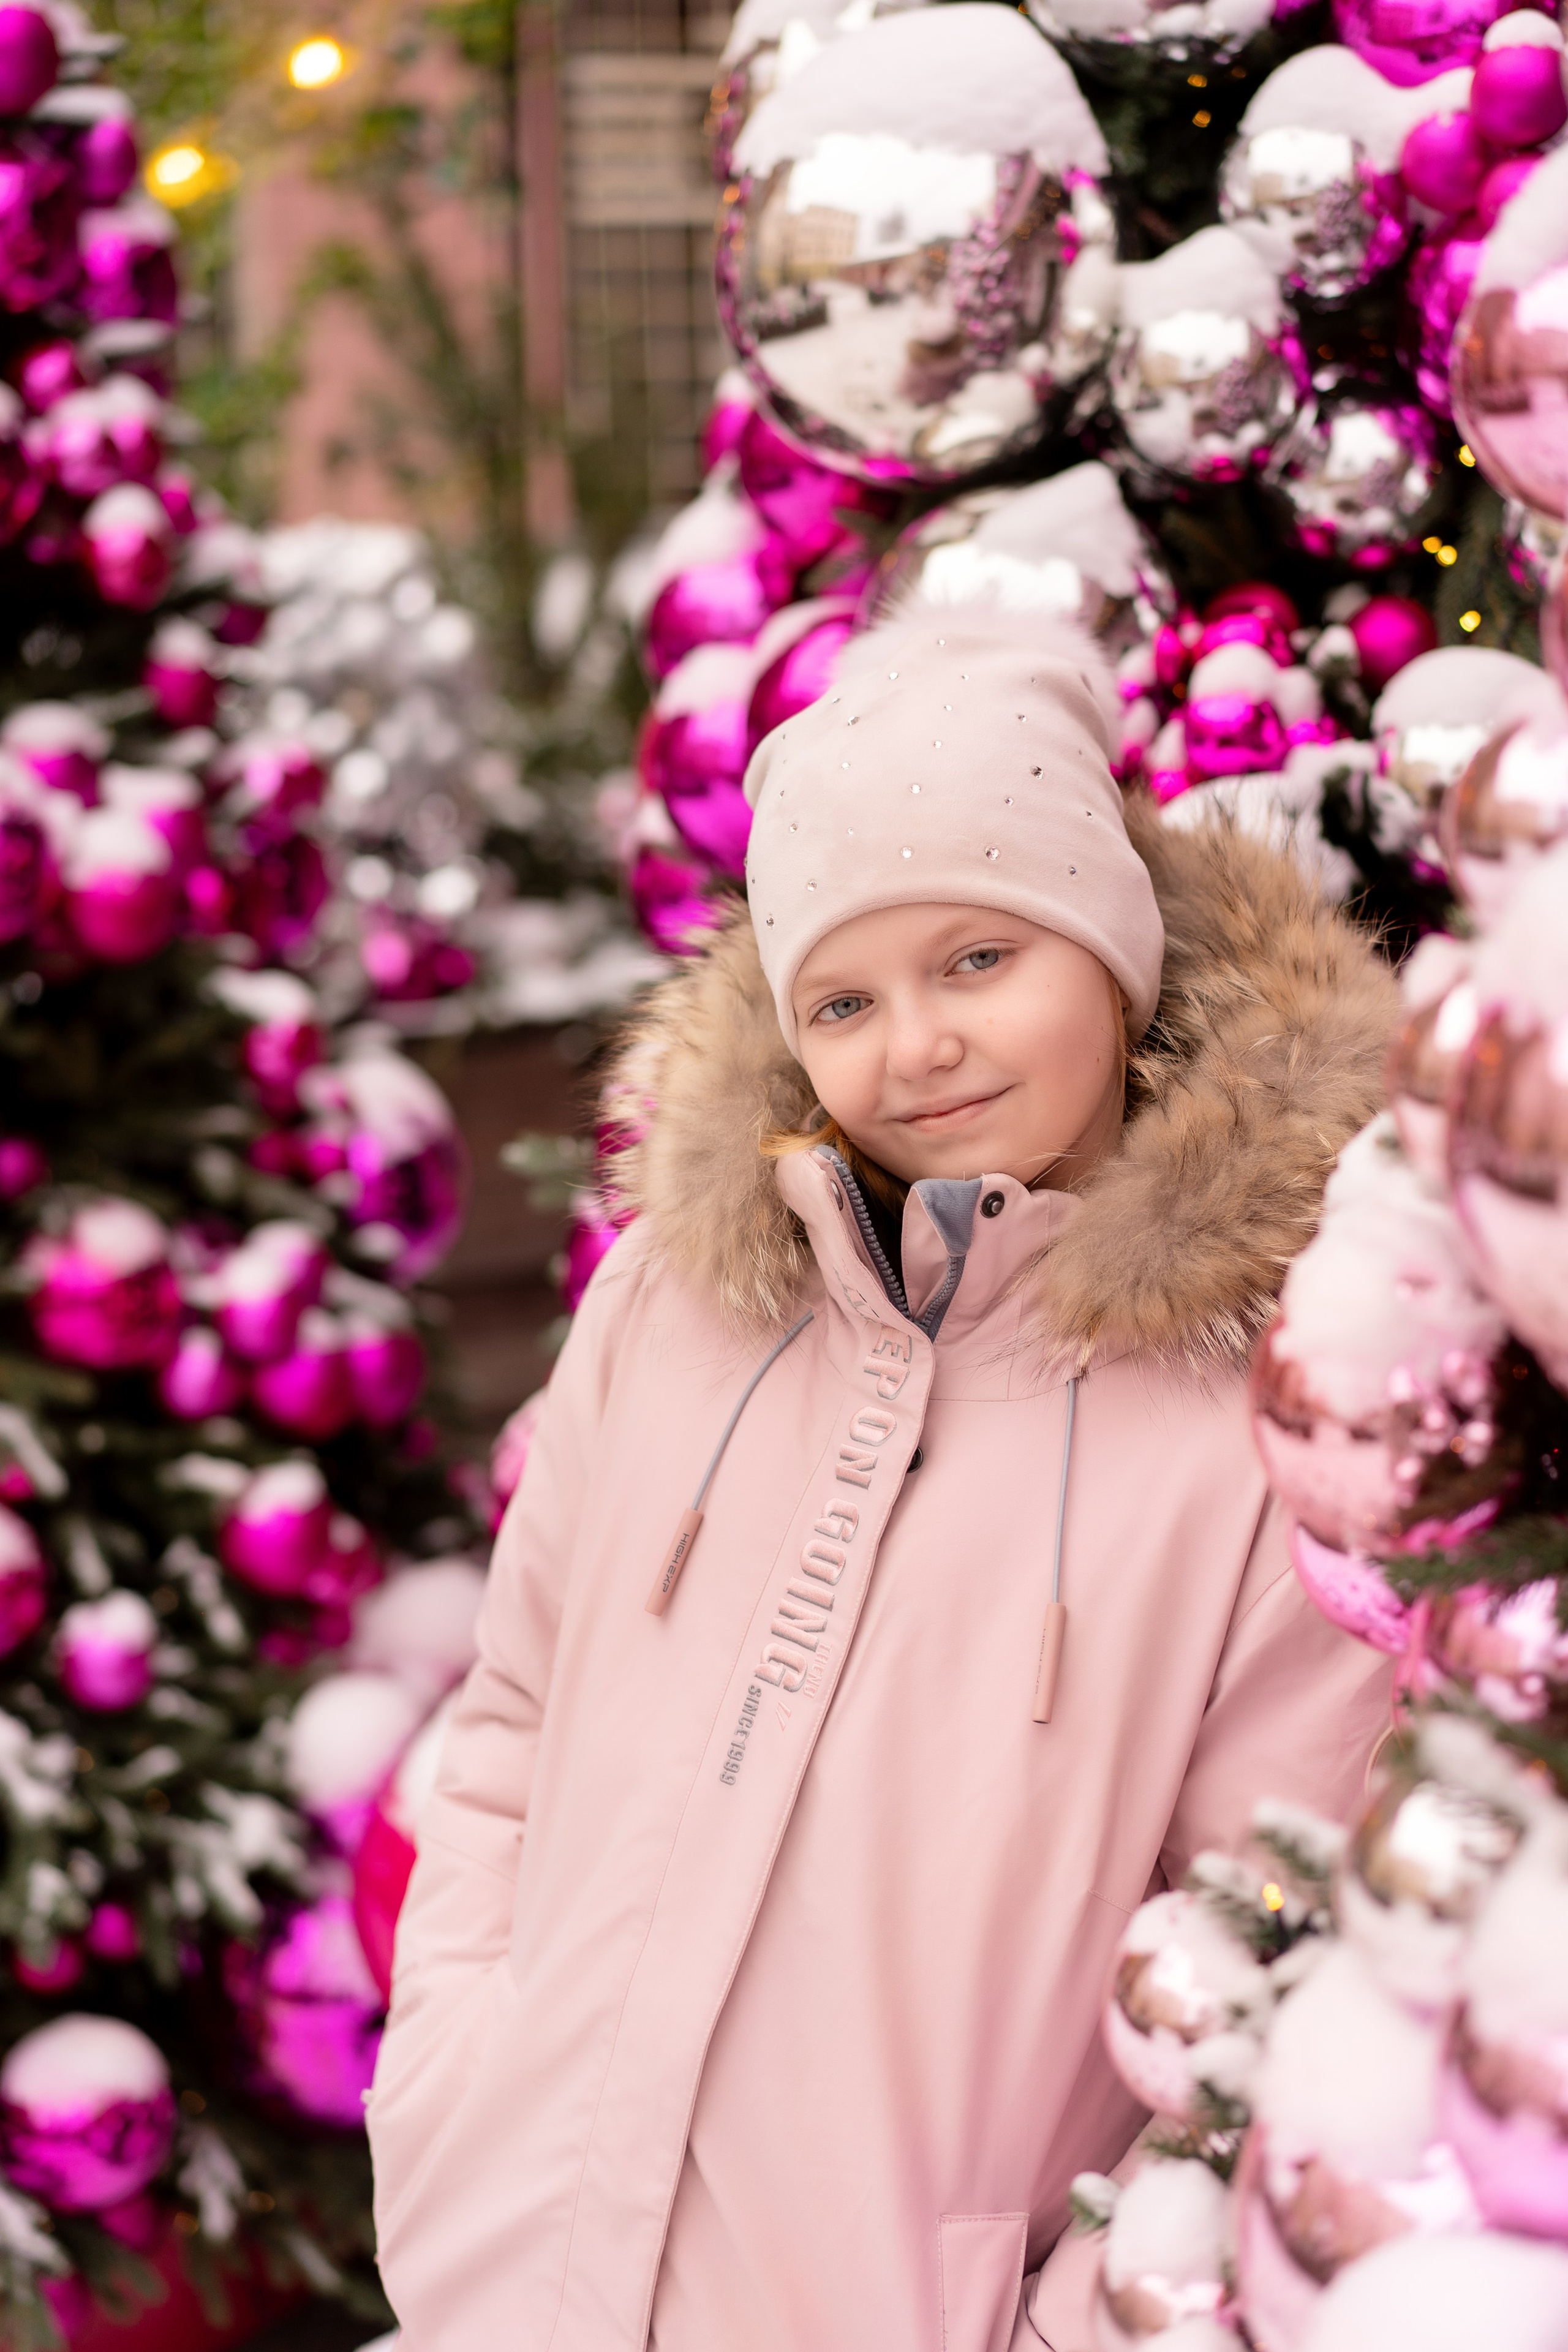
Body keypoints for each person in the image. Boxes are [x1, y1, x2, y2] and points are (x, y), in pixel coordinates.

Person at [368, 616, 1398, 2352]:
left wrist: (1078, 2324)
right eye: (843, 999)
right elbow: (511, 1731)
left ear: (1114, 947)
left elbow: (1279, 1962)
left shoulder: (1262, 1409)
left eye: (980, 958)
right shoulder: (678, 1305)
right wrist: (454, 2097)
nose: (912, 1046)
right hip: (519, 2287)